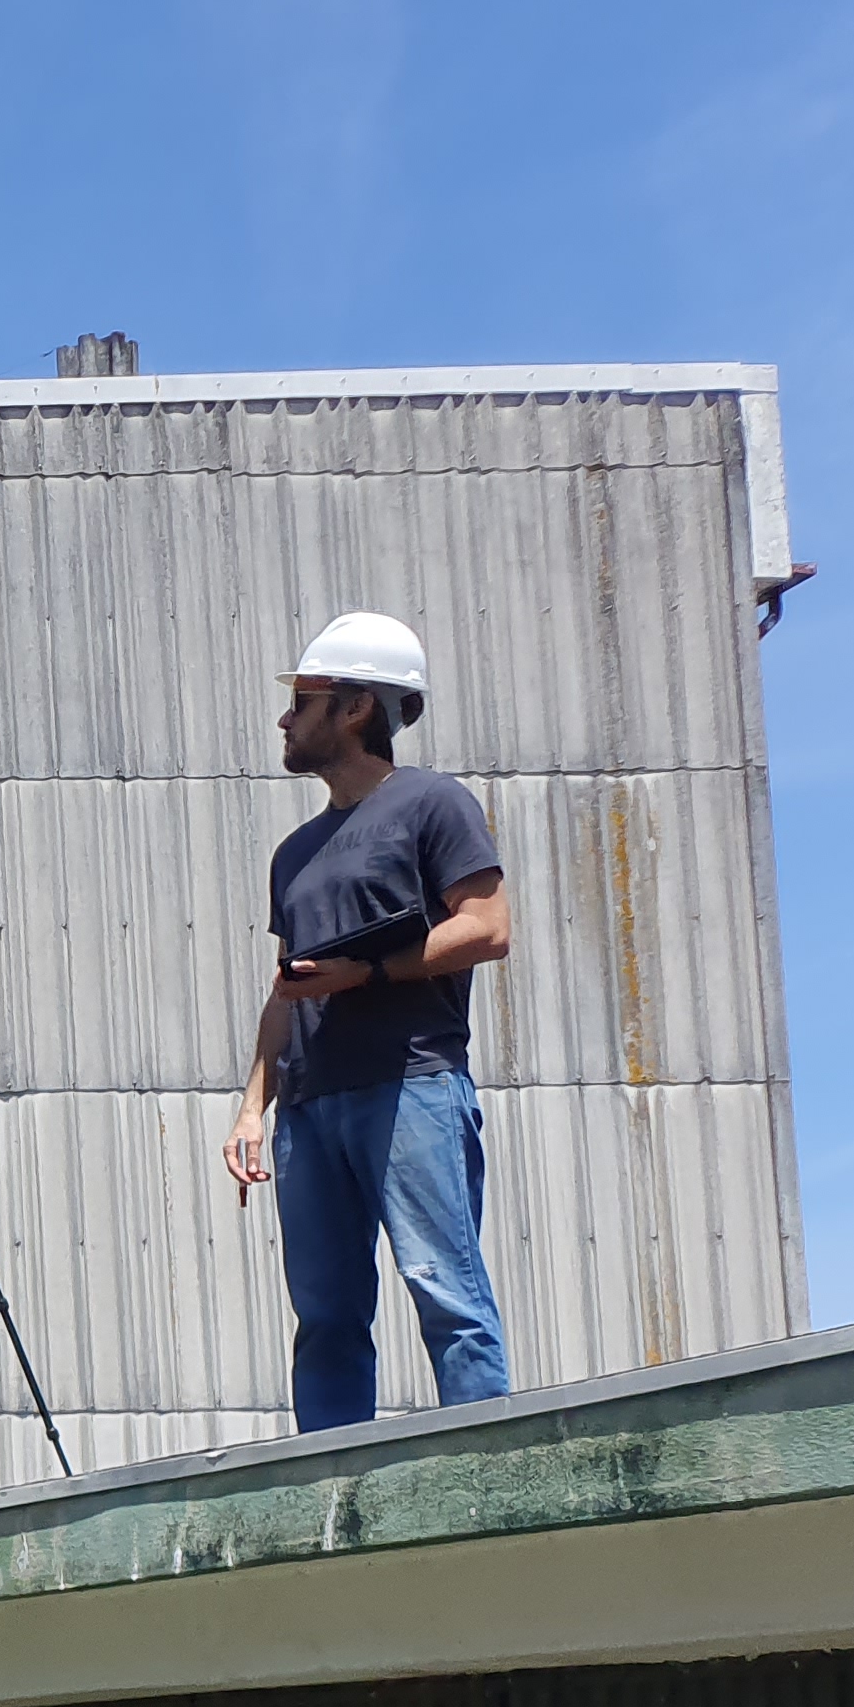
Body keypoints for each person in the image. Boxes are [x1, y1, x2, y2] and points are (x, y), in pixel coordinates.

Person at [221, 611, 515, 1431]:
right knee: (325, 1317)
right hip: (309, 1109)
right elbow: (289, 987)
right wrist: (254, 1105)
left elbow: (488, 927)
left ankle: (488, 1480)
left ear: (355, 708)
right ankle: (334, 1488)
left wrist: (371, 970)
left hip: (410, 1086)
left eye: (303, 699)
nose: (285, 718)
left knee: (444, 1290)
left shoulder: (433, 803)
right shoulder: (295, 852)